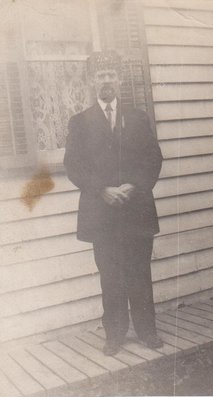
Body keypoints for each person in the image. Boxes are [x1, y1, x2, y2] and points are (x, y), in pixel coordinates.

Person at [64, 50, 163, 356]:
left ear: (119, 80)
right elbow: (74, 166)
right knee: (110, 275)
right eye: (100, 75)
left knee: (139, 273)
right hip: (102, 213)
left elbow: (153, 158)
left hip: (136, 210)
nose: (106, 80)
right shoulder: (80, 122)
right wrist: (103, 190)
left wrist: (134, 185)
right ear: (93, 82)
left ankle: (147, 331)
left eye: (111, 75)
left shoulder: (137, 118)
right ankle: (115, 335)